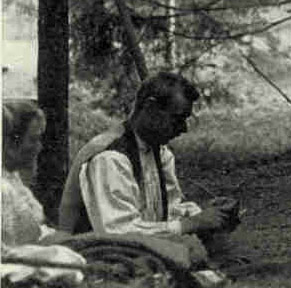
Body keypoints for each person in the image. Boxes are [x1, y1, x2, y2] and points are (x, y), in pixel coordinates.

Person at [58, 72, 240, 245]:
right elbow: (119, 233)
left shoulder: (159, 152)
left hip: (134, 248)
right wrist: (191, 224)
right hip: (92, 255)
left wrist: (206, 215)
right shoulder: (110, 158)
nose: (184, 129)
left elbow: (165, 214)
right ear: (151, 108)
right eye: (177, 119)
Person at [2, 100, 86, 283]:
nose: (39, 148)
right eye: (33, 139)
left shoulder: (12, 177)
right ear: (10, 143)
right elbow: (9, 252)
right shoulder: (3, 190)